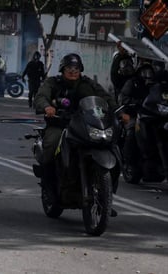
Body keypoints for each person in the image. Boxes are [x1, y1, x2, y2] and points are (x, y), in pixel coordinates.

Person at [34, 53, 118, 215]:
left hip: (85, 125)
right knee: (51, 146)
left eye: (76, 68)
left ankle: (105, 196)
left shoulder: (88, 84)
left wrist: (118, 111)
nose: (73, 71)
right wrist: (47, 107)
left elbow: (105, 98)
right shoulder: (53, 83)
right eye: (69, 68)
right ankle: (49, 186)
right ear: (62, 69)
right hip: (61, 124)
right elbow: (41, 96)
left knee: (112, 146)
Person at [120, 61, 165, 182]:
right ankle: (130, 162)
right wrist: (135, 102)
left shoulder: (157, 85)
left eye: (149, 71)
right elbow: (123, 97)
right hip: (135, 114)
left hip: (154, 114)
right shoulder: (132, 83)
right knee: (132, 132)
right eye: (144, 71)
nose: (147, 74)